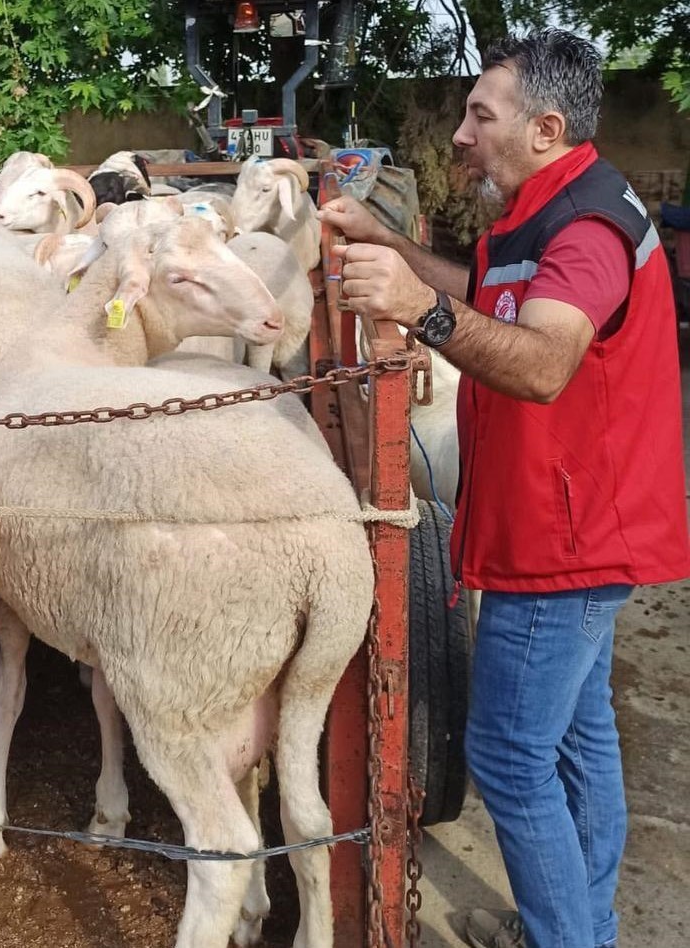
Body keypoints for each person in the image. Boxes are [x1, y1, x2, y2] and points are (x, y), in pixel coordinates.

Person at [320, 28, 690, 948]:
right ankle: (577, 923)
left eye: (480, 114)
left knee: (508, 754)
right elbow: (489, 292)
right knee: (575, 737)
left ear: (546, 127)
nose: (459, 133)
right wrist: (395, 247)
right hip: (573, 518)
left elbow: (543, 363)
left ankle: (569, 937)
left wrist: (419, 310)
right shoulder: (543, 212)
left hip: (564, 537)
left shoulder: (590, 229)